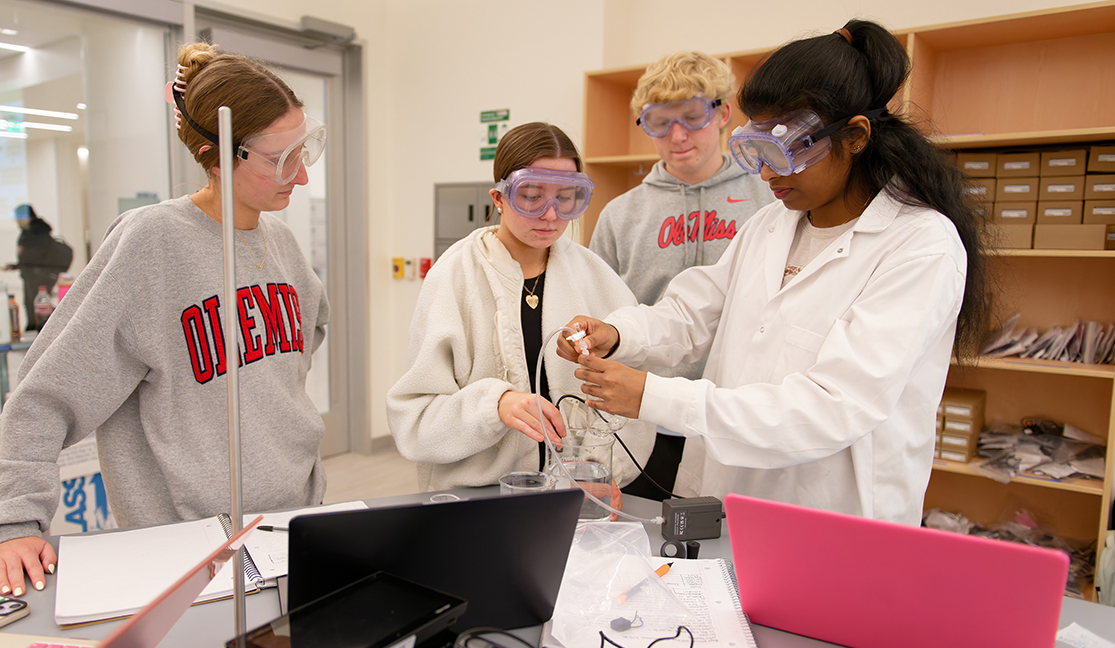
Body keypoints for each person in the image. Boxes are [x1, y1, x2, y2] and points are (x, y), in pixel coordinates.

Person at [558, 20, 991, 526]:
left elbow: (830, 407)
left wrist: (653, 395)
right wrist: (619, 332)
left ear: (854, 136)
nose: (765, 174)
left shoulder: (920, 245)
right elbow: (693, 313)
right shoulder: (772, 223)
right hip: (726, 495)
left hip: (830, 514)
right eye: (757, 150)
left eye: (784, 152)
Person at [0, 42, 332, 596]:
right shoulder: (152, 243)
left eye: (304, 150)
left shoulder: (279, 241)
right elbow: (46, 391)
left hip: (290, 525)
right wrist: (11, 518)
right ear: (218, 154)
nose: (301, 176)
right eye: (281, 159)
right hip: (187, 546)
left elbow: (303, 341)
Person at [387, 122, 655, 493]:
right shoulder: (454, 276)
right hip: (478, 500)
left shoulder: (595, 276)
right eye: (531, 196)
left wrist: (604, 471)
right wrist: (494, 406)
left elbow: (631, 400)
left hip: (577, 495)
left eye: (566, 197)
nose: (550, 214)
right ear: (499, 199)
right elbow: (414, 423)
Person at [589, 50, 775, 500]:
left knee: (727, 550)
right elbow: (601, 315)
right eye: (658, 122)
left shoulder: (772, 202)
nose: (677, 136)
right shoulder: (621, 215)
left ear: (724, 113)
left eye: (692, 117)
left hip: (736, 412)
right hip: (643, 416)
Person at [8, 204, 73, 331]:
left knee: (38, 306)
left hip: (39, 276)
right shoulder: (34, 232)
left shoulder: (37, 233)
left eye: (19, 217)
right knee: (34, 305)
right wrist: (16, 265)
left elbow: (35, 256)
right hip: (34, 275)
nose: (17, 221)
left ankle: (40, 331)